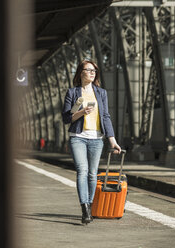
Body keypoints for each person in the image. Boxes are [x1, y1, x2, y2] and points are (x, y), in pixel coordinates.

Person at [62, 60, 121, 224]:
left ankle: (90, 203)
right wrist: (82, 112)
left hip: (96, 139)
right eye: (89, 70)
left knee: (92, 174)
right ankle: (85, 208)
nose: (92, 72)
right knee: (82, 170)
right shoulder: (72, 93)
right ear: (81, 72)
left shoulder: (101, 93)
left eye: (94, 70)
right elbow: (66, 118)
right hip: (78, 137)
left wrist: (112, 141)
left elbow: (106, 117)